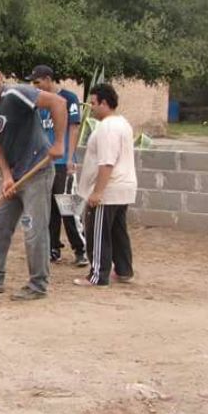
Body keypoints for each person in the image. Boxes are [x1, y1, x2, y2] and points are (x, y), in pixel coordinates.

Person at [0, 61, 68, 301]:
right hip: (15, 177)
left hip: (37, 172)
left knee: (34, 230)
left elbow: (57, 102)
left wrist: (60, 143)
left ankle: (38, 285)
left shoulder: (16, 93)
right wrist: (7, 177)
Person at [73, 83, 137, 287]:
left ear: (104, 103)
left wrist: (97, 192)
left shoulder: (108, 127)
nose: (91, 107)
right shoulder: (122, 123)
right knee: (118, 232)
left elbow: (107, 162)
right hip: (123, 187)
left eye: (93, 103)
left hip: (109, 189)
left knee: (98, 233)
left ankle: (98, 275)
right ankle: (124, 270)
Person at [26, 65, 88, 267]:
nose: (35, 86)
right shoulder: (38, 101)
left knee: (69, 206)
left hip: (63, 163)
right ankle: (53, 248)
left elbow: (74, 128)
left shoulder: (69, 99)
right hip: (44, 162)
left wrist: (70, 158)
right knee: (49, 209)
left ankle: (81, 249)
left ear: (48, 79)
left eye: (37, 82)